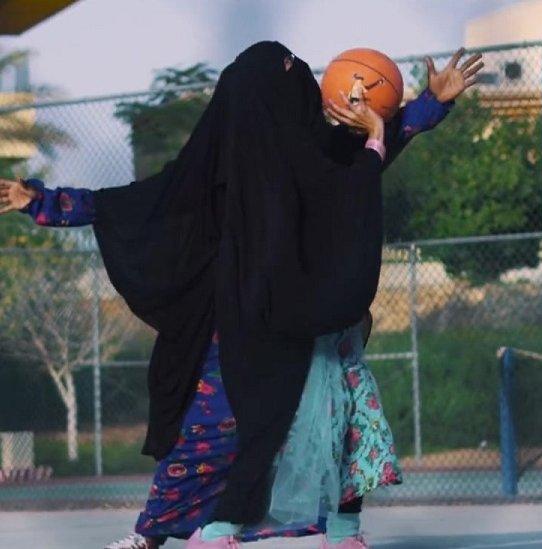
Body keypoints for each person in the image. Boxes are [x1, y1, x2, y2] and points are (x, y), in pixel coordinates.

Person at [0, 42, 483, 549]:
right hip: (235, 325)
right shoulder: (211, 170)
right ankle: (153, 533)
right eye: (285, 69)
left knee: (337, 420)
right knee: (206, 432)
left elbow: (380, 145)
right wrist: (44, 203)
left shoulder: (318, 150)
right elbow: (132, 206)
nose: (297, 75)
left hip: (308, 317)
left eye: (296, 66)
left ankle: (340, 528)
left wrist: (434, 102)